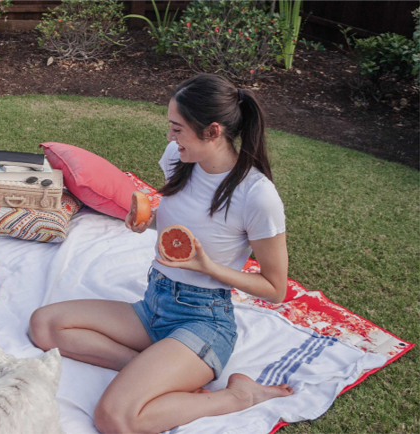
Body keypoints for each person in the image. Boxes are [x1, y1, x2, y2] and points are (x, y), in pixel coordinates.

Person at [29, 74, 294, 434]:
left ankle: (238, 396)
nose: (170, 138)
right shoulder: (178, 159)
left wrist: (208, 267)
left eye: (178, 129)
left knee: (114, 418)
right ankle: (150, 366)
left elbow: (276, 289)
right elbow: (183, 223)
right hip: (154, 304)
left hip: (204, 321)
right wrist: (148, 220)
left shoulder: (256, 196)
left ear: (213, 131)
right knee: (44, 325)